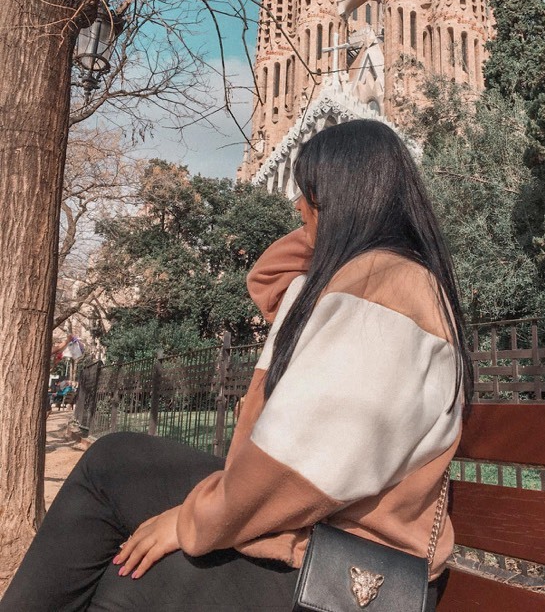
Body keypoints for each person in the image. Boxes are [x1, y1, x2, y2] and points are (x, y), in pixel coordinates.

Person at [1, 119, 472, 611]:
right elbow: (270, 277)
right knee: (112, 463)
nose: (297, 207)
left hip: (353, 570)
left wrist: (191, 522)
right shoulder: (373, 274)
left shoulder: (388, 287)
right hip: (315, 532)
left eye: (309, 194)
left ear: (343, 197)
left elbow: (303, 468)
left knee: (128, 566)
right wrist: (333, 229)